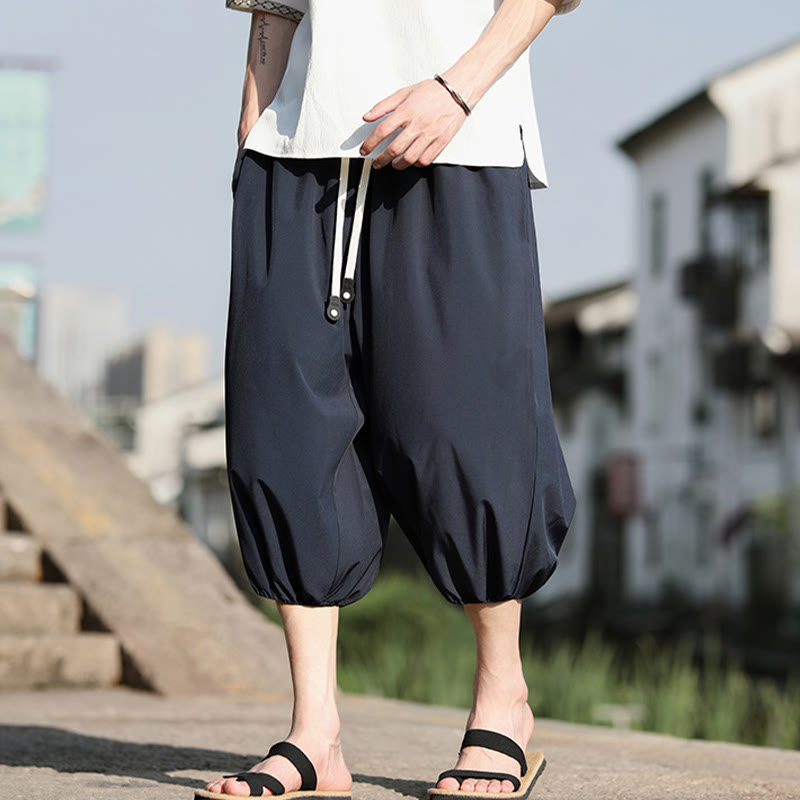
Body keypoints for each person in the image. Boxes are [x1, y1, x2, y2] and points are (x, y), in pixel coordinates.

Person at [198, 1, 581, 798]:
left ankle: (503, 699)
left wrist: (456, 90)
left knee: (465, 424)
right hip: (294, 145)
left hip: (458, 136)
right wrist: (252, 122)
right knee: (285, 426)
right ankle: (315, 732)